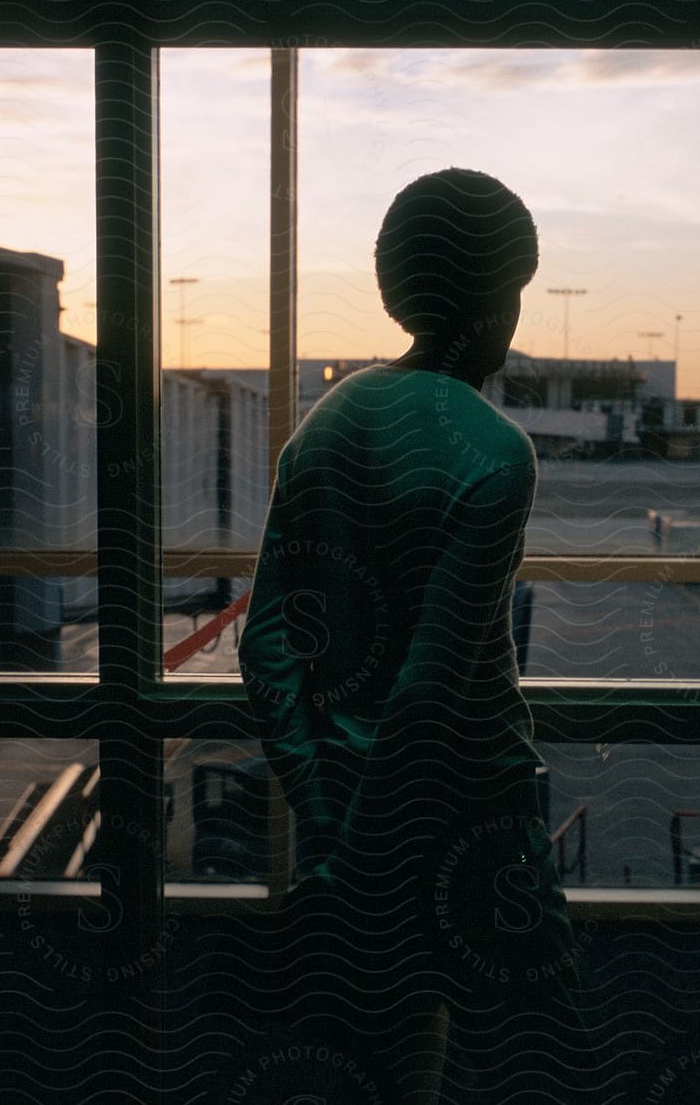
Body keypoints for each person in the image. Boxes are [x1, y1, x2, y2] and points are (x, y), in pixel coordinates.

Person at [239, 169, 602, 1104]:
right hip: (472, 821)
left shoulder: (324, 427)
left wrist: (326, 831)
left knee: (395, 1074)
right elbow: (432, 695)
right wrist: (364, 858)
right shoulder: (495, 452)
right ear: (497, 299)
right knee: (544, 1064)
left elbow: (266, 644)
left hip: (348, 818)